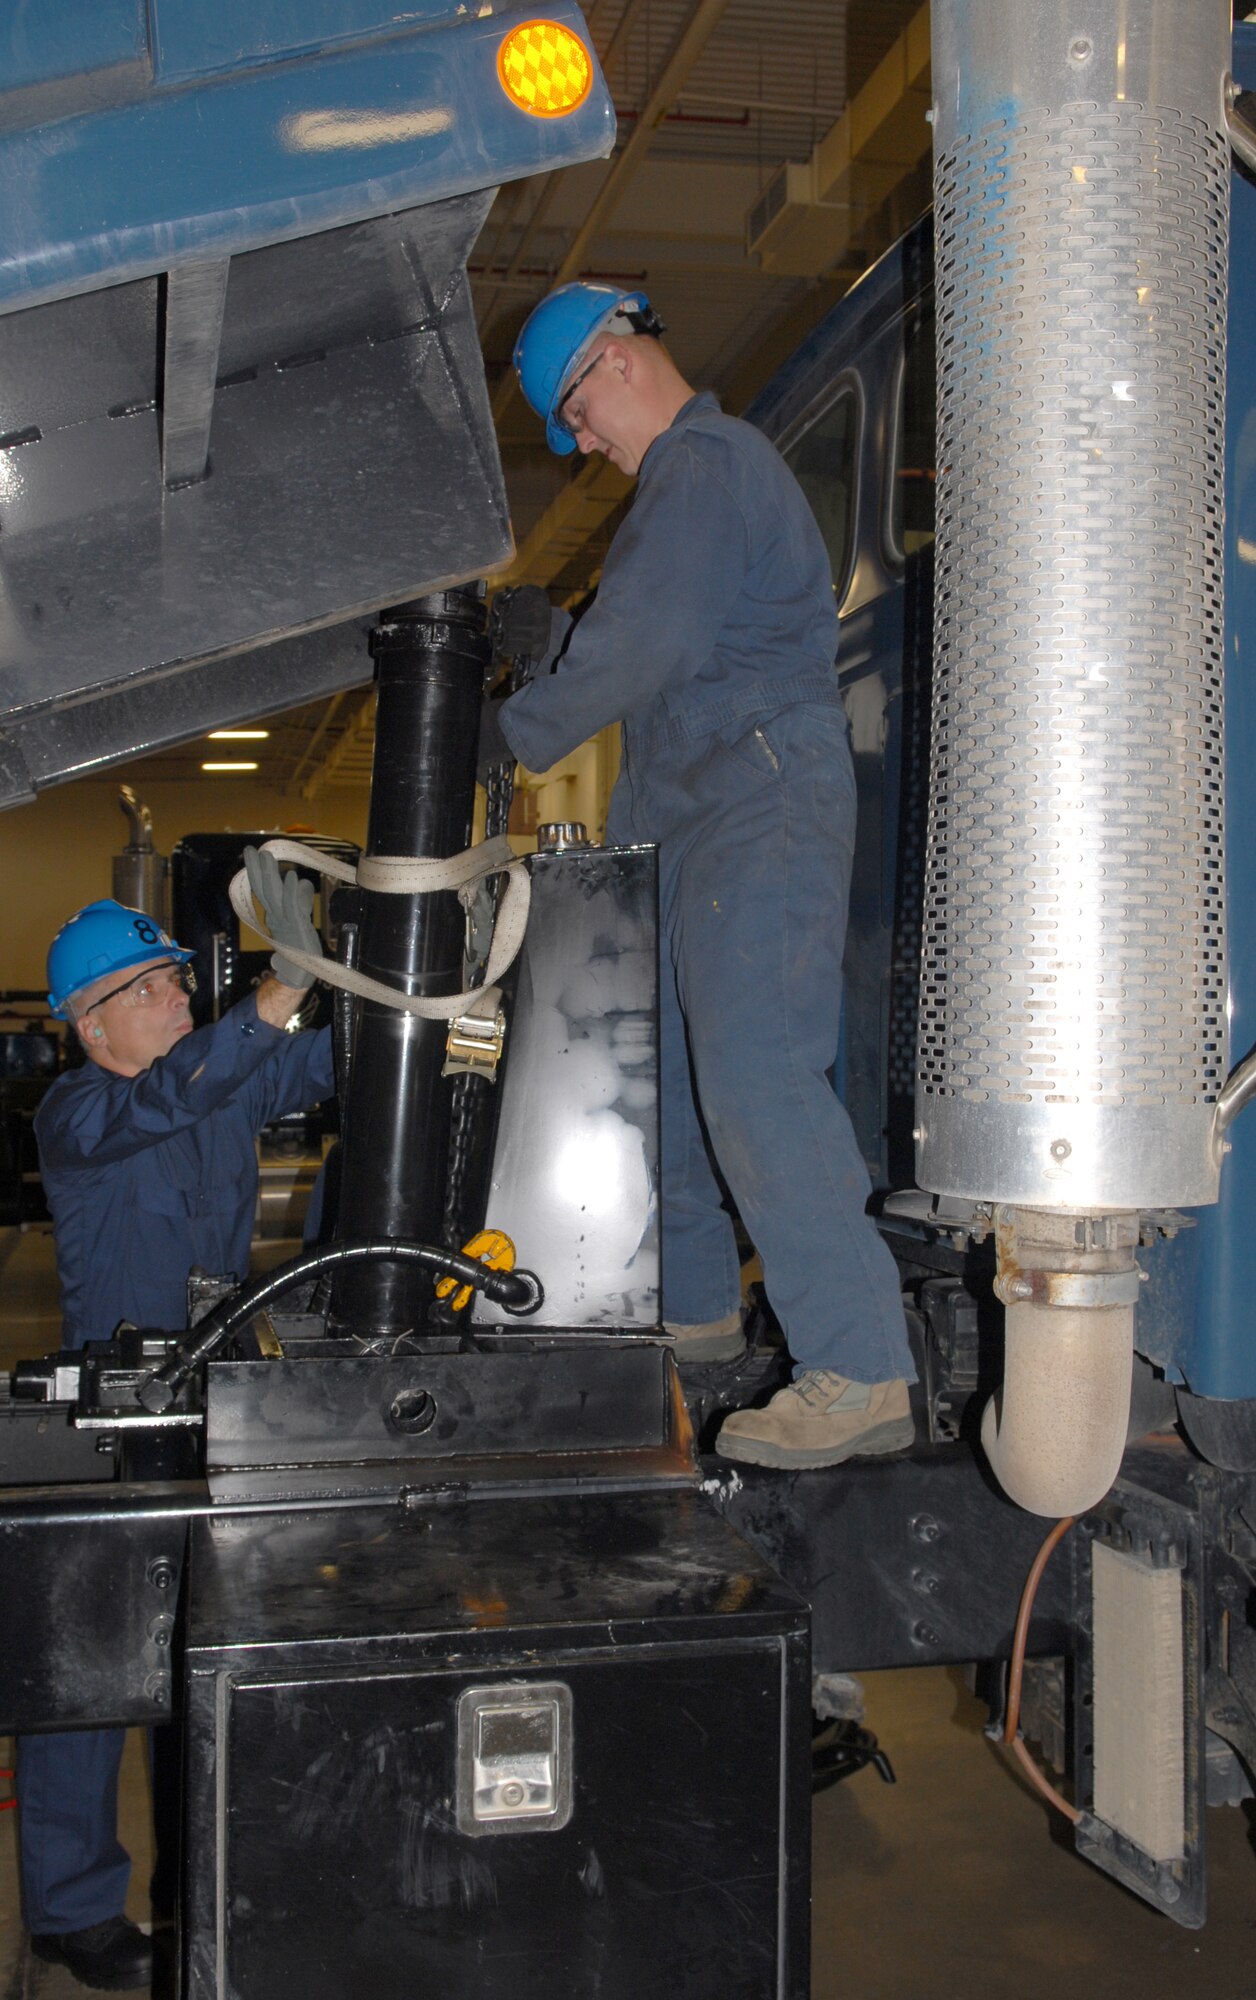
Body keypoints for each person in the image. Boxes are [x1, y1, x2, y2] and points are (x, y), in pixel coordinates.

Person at [495, 281, 917, 1470]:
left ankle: (863, 1364)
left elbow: (651, 641)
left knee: (755, 1073)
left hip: (756, 801)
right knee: (670, 1089)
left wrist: (513, 729)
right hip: (694, 817)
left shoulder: (705, 461)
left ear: (615, 360)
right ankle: (691, 1320)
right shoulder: (681, 493)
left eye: (574, 412)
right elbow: (644, 640)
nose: (581, 444)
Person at [18, 853, 329, 1992]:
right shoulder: (79, 1109)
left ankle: (217, 1869)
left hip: (217, 1398)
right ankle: (66, 1903)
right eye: (152, 987)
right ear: (93, 1022)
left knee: (206, 1654)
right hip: (107, 1416)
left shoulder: (211, 1075)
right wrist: (275, 992)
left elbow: (310, 1066)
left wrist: (424, 994)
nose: (178, 994)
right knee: (86, 1673)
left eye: (175, 980)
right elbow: (180, 1091)